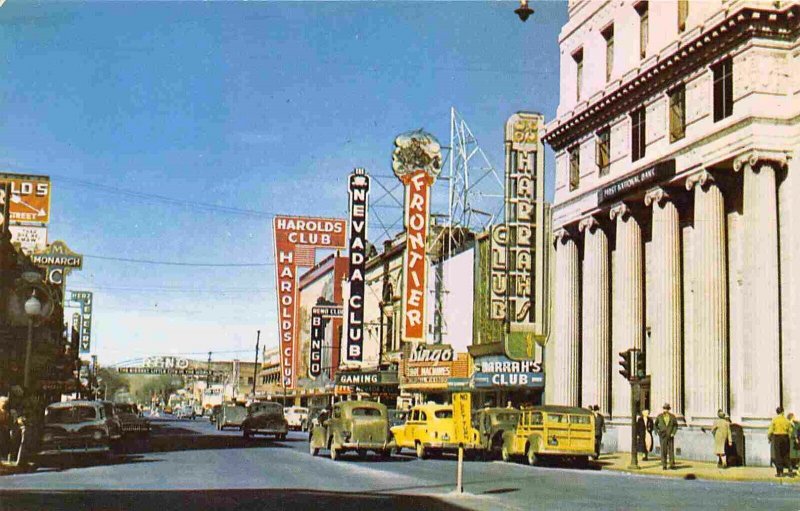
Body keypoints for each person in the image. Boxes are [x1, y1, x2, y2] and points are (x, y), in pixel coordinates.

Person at [769, 407, 794, 477]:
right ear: (783, 412)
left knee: (778, 455)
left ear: (777, 412)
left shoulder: (774, 420)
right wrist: (788, 437)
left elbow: (770, 430)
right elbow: (790, 430)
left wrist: (769, 437)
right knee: (786, 454)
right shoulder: (786, 420)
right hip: (785, 437)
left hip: (777, 437)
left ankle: (780, 472)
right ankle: (790, 468)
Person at [654, 403, 678, 470]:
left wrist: (673, 433)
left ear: (669, 409)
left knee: (671, 450)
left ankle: (672, 464)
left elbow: (676, 425)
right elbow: (655, 425)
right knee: (663, 450)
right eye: (665, 408)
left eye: (667, 409)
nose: (666, 410)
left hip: (670, 435)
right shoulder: (659, 416)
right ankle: (664, 465)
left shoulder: (673, 417)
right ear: (663, 409)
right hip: (663, 435)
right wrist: (657, 431)